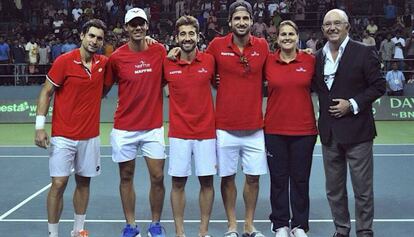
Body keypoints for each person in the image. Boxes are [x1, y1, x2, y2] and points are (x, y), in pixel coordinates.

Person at [312, 9, 386, 237]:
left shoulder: (363, 52)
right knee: (334, 190)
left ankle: (364, 231)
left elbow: (379, 86)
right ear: (323, 29)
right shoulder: (317, 57)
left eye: (337, 23)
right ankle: (341, 230)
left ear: (347, 27)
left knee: (362, 189)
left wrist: (352, 104)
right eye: (327, 24)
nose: (332, 27)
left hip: (358, 132)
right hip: (329, 134)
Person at [34, 19, 108, 237]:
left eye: (99, 38)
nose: (94, 41)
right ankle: (53, 234)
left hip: (90, 137)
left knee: (84, 182)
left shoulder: (104, 63)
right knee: (58, 183)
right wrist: (40, 127)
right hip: (63, 136)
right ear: (82, 36)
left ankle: (78, 230)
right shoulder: (64, 61)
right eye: (91, 36)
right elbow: (46, 92)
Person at [206, 1, 269, 236]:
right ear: (230, 22)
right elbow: (202, 66)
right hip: (225, 127)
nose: (241, 22)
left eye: (245, 18)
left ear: (251, 21)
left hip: (255, 127)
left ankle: (248, 225)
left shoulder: (262, 46)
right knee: (228, 178)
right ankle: (232, 225)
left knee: (253, 179)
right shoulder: (216, 46)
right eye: (237, 18)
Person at [103, 8, 167, 237]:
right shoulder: (117, 58)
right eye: (133, 24)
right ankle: (131, 226)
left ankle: (156, 224)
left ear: (147, 26)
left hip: (152, 127)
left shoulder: (160, 51)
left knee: (158, 176)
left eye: (141, 23)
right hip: (124, 128)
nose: (138, 27)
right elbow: (102, 89)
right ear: (126, 28)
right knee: (126, 176)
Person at [163, 15, 216, 237]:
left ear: (198, 36)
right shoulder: (167, 63)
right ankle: (180, 232)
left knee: (206, 182)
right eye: (183, 34)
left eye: (191, 33)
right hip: (179, 134)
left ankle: (203, 232)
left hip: (206, 132)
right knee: (178, 183)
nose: (187, 38)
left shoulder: (210, 61)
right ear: (177, 37)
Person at [264, 20, 317, 237]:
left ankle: (300, 225)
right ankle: (280, 225)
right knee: (278, 179)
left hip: (304, 131)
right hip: (274, 130)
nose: (287, 37)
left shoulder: (310, 61)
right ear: (277, 39)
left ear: (297, 37)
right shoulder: (268, 61)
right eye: (283, 34)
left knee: (300, 179)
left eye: (291, 34)